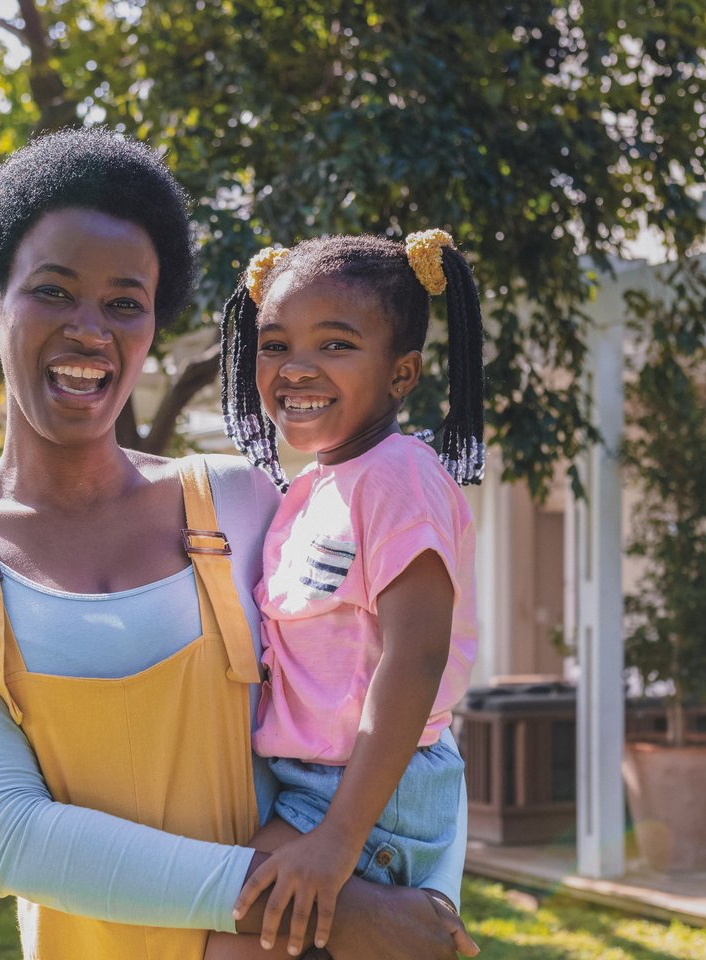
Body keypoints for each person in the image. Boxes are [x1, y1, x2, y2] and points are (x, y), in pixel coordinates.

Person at [0, 128, 478, 960]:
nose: (91, 330)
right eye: (53, 292)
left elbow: (400, 695)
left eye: (126, 302)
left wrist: (425, 895)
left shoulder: (238, 500)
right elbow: (5, 836)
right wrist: (339, 908)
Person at [206, 232, 485, 958]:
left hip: (361, 795)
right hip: (319, 783)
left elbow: (417, 657)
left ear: (402, 374)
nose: (296, 367)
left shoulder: (398, 478)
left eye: (335, 345)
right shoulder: (310, 490)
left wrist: (337, 839)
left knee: (231, 935)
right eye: (274, 345)